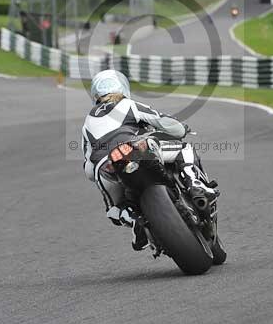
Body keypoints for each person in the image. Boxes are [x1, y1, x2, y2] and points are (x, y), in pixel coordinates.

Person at [81, 69, 217, 251]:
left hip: (105, 166)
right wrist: (181, 129)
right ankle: (195, 184)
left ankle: (133, 220)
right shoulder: (127, 104)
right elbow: (160, 120)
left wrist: (100, 169)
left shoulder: (88, 121)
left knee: (114, 209)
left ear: (95, 94)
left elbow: (88, 168)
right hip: (135, 149)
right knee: (184, 148)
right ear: (123, 87)